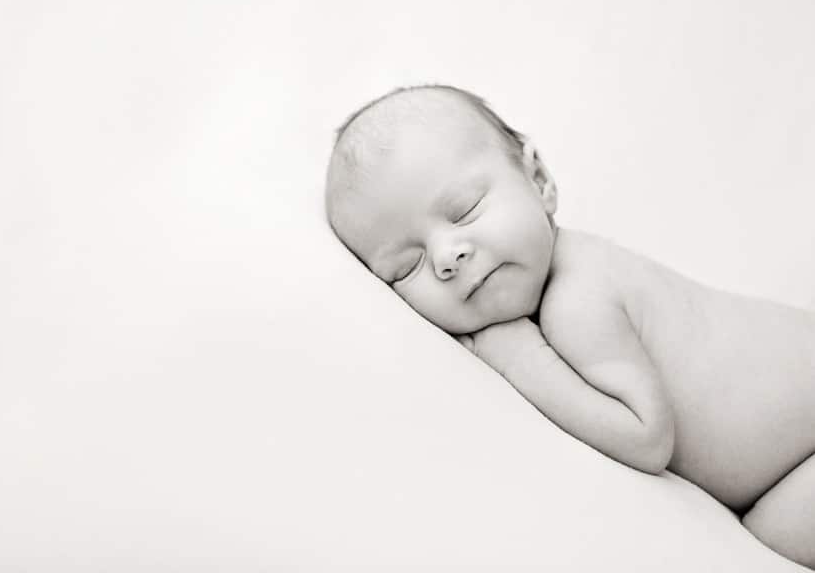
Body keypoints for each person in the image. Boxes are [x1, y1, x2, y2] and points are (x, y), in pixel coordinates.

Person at [324, 84, 815, 569]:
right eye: (407, 267)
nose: (447, 257)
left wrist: (520, 360)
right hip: (784, 468)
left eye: (464, 211)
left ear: (539, 181)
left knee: (779, 540)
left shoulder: (578, 298)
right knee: (772, 535)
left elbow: (646, 439)